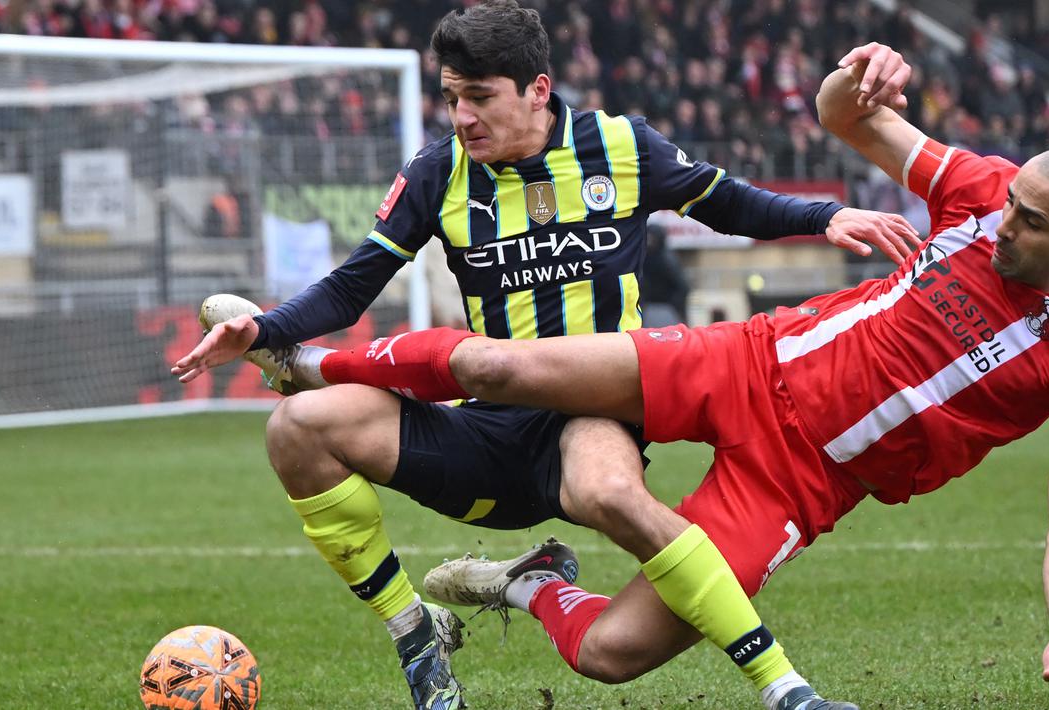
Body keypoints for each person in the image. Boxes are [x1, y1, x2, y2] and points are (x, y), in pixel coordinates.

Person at [222, 43, 1049, 710]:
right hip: (752, 360)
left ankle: (529, 582)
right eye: (1008, 206)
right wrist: (862, 78)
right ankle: (299, 363)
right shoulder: (981, 189)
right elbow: (842, 115)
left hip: (808, 478)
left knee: (610, 655)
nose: (1003, 225)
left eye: (1028, 224)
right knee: (499, 362)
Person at [171, 3, 919, 708]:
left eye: (479, 97)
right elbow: (351, 285)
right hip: (483, 426)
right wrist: (264, 328)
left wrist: (827, 215)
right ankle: (414, 629)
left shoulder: (620, 146)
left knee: (613, 495)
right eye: (450, 97)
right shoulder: (437, 174)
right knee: (295, 429)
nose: (461, 116)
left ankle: (784, 688)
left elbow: (723, 200)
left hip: (589, 415)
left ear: (537, 90)